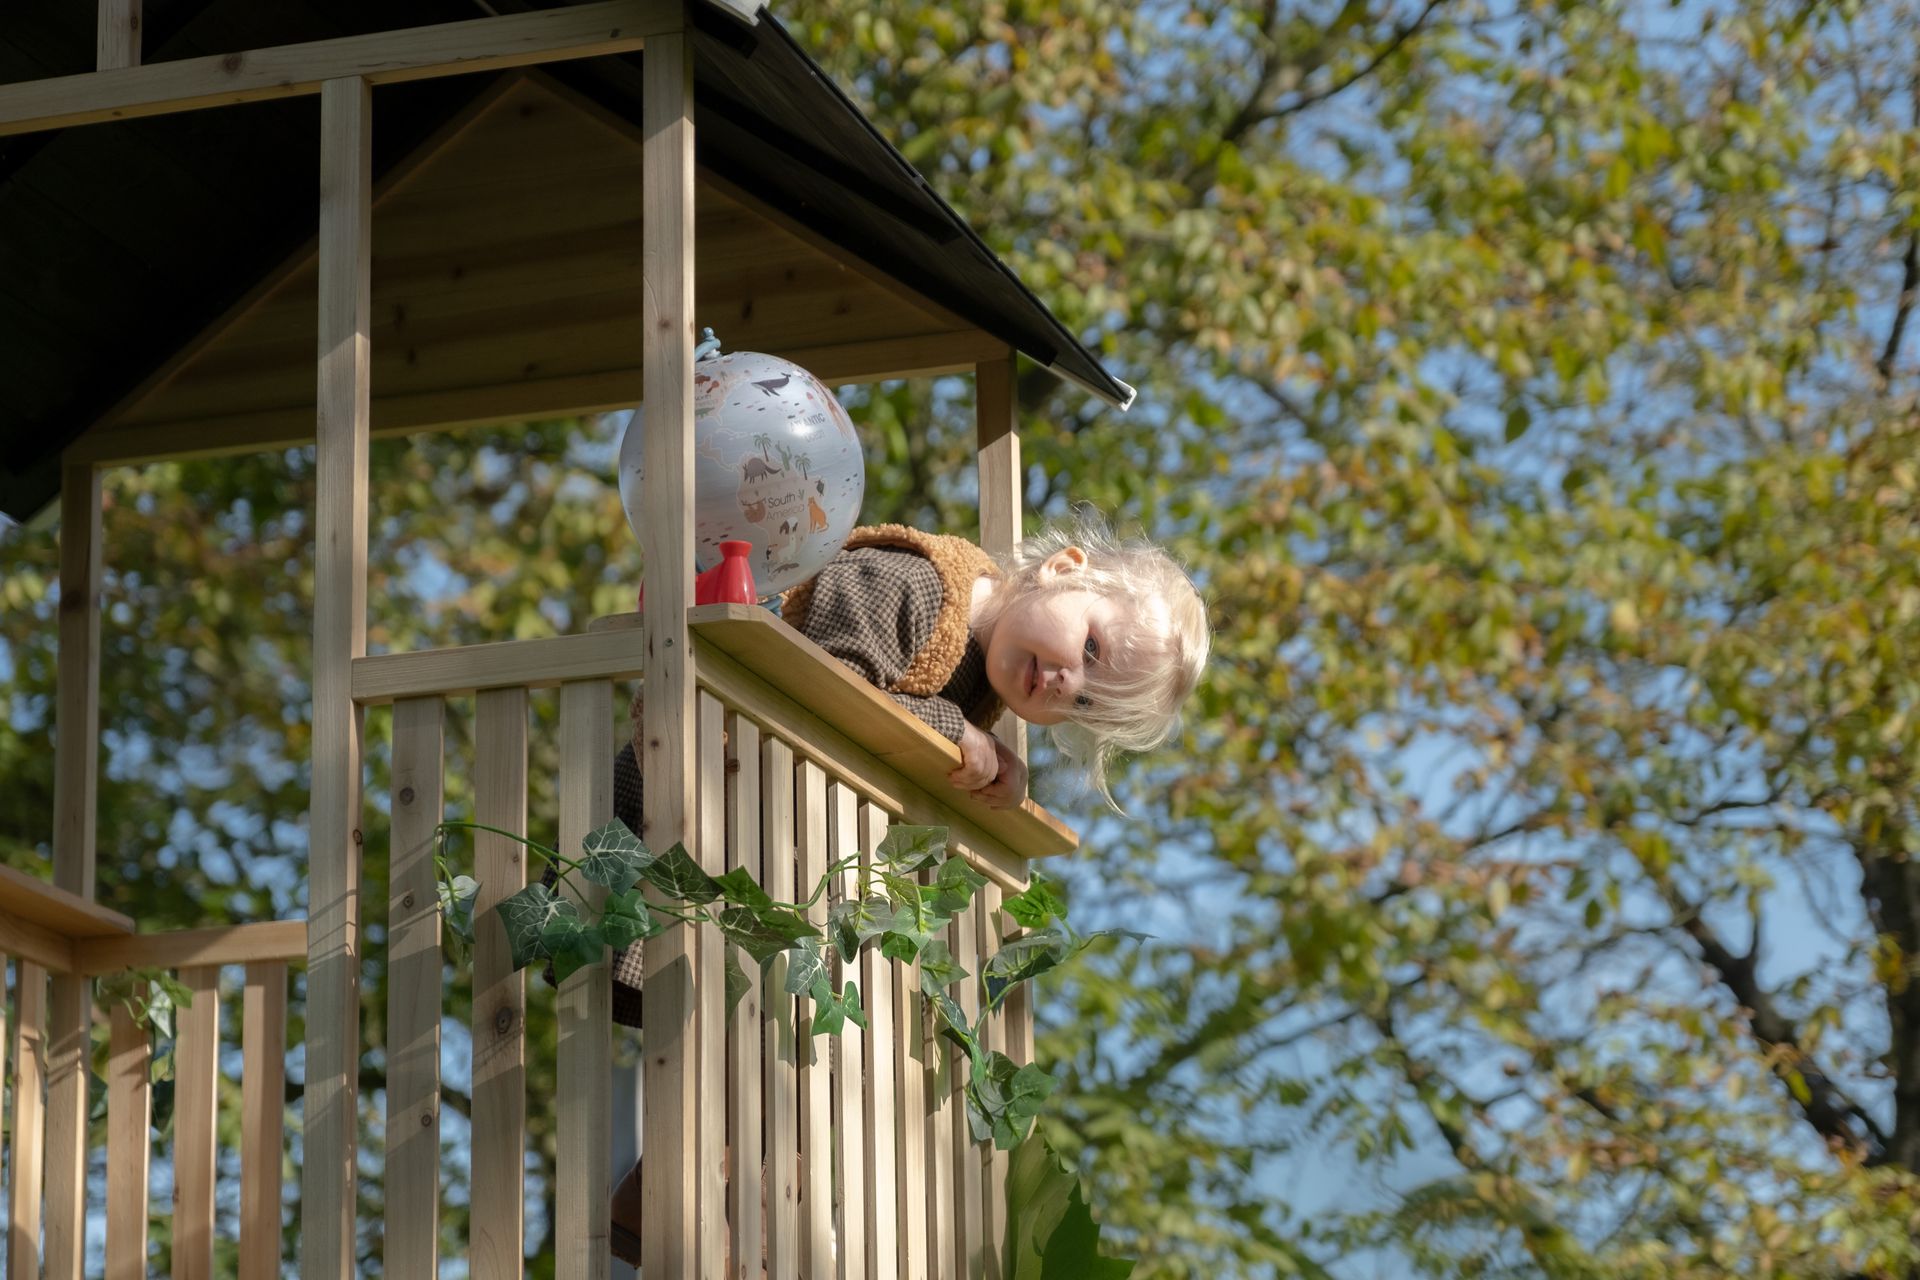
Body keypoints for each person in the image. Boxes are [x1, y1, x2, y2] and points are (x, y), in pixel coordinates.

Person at [581, 513, 1210, 1264]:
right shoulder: (909, 581)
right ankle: (676, 1198)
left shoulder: (985, 676)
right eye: (1092, 647)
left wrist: (993, 765)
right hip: (690, 795)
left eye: (1083, 704)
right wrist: (953, 732)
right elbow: (829, 678)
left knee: (792, 1052)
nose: (1064, 682)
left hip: (771, 846)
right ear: (1063, 568)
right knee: (745, 1028)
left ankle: (682, 1201)